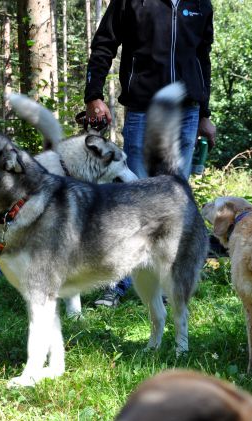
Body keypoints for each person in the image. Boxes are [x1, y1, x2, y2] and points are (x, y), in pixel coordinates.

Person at [83, 0, 216, 307]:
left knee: (176, 198)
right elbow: (103, 44)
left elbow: (202, 57)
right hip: (143, 109)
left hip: (187, 111)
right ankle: (115, 283)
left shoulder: (200, 3)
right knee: (132, 194)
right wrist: (93, 95)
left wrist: (205, 113)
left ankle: (170, 281)